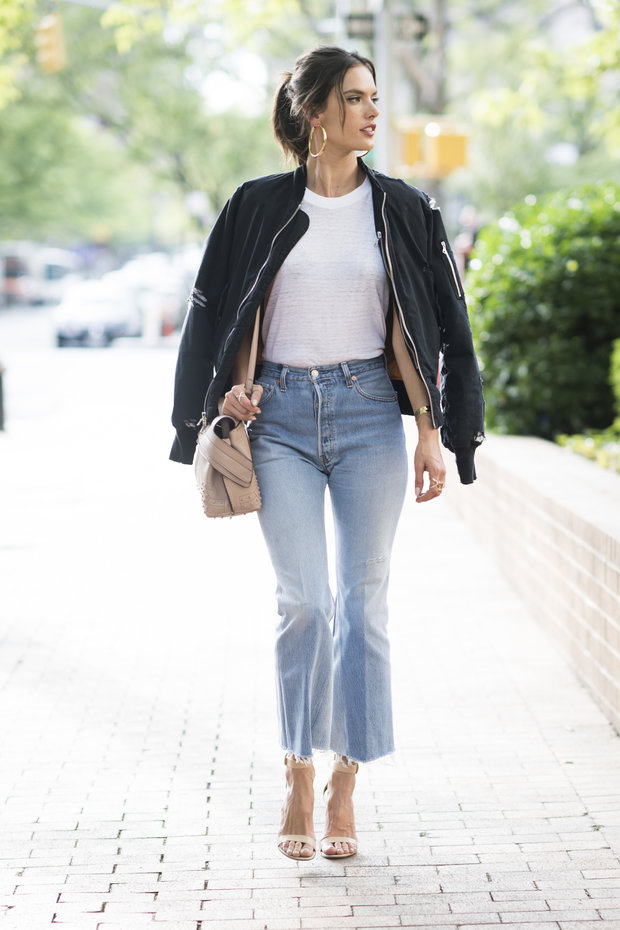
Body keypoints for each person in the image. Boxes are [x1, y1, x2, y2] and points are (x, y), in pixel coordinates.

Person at [170, 46, 485, 862]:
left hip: (369, 416)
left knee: (363, 602)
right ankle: (297, 767)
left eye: (376, 97)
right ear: (315, 112)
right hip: (275, 416)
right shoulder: (254, 207)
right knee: (304, 601)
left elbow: (445, 326)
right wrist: (212, 409)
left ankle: (347, 776)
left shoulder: (406, 210)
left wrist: (436, 431)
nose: (373, 112)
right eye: (355, 98)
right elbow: (211, 318)